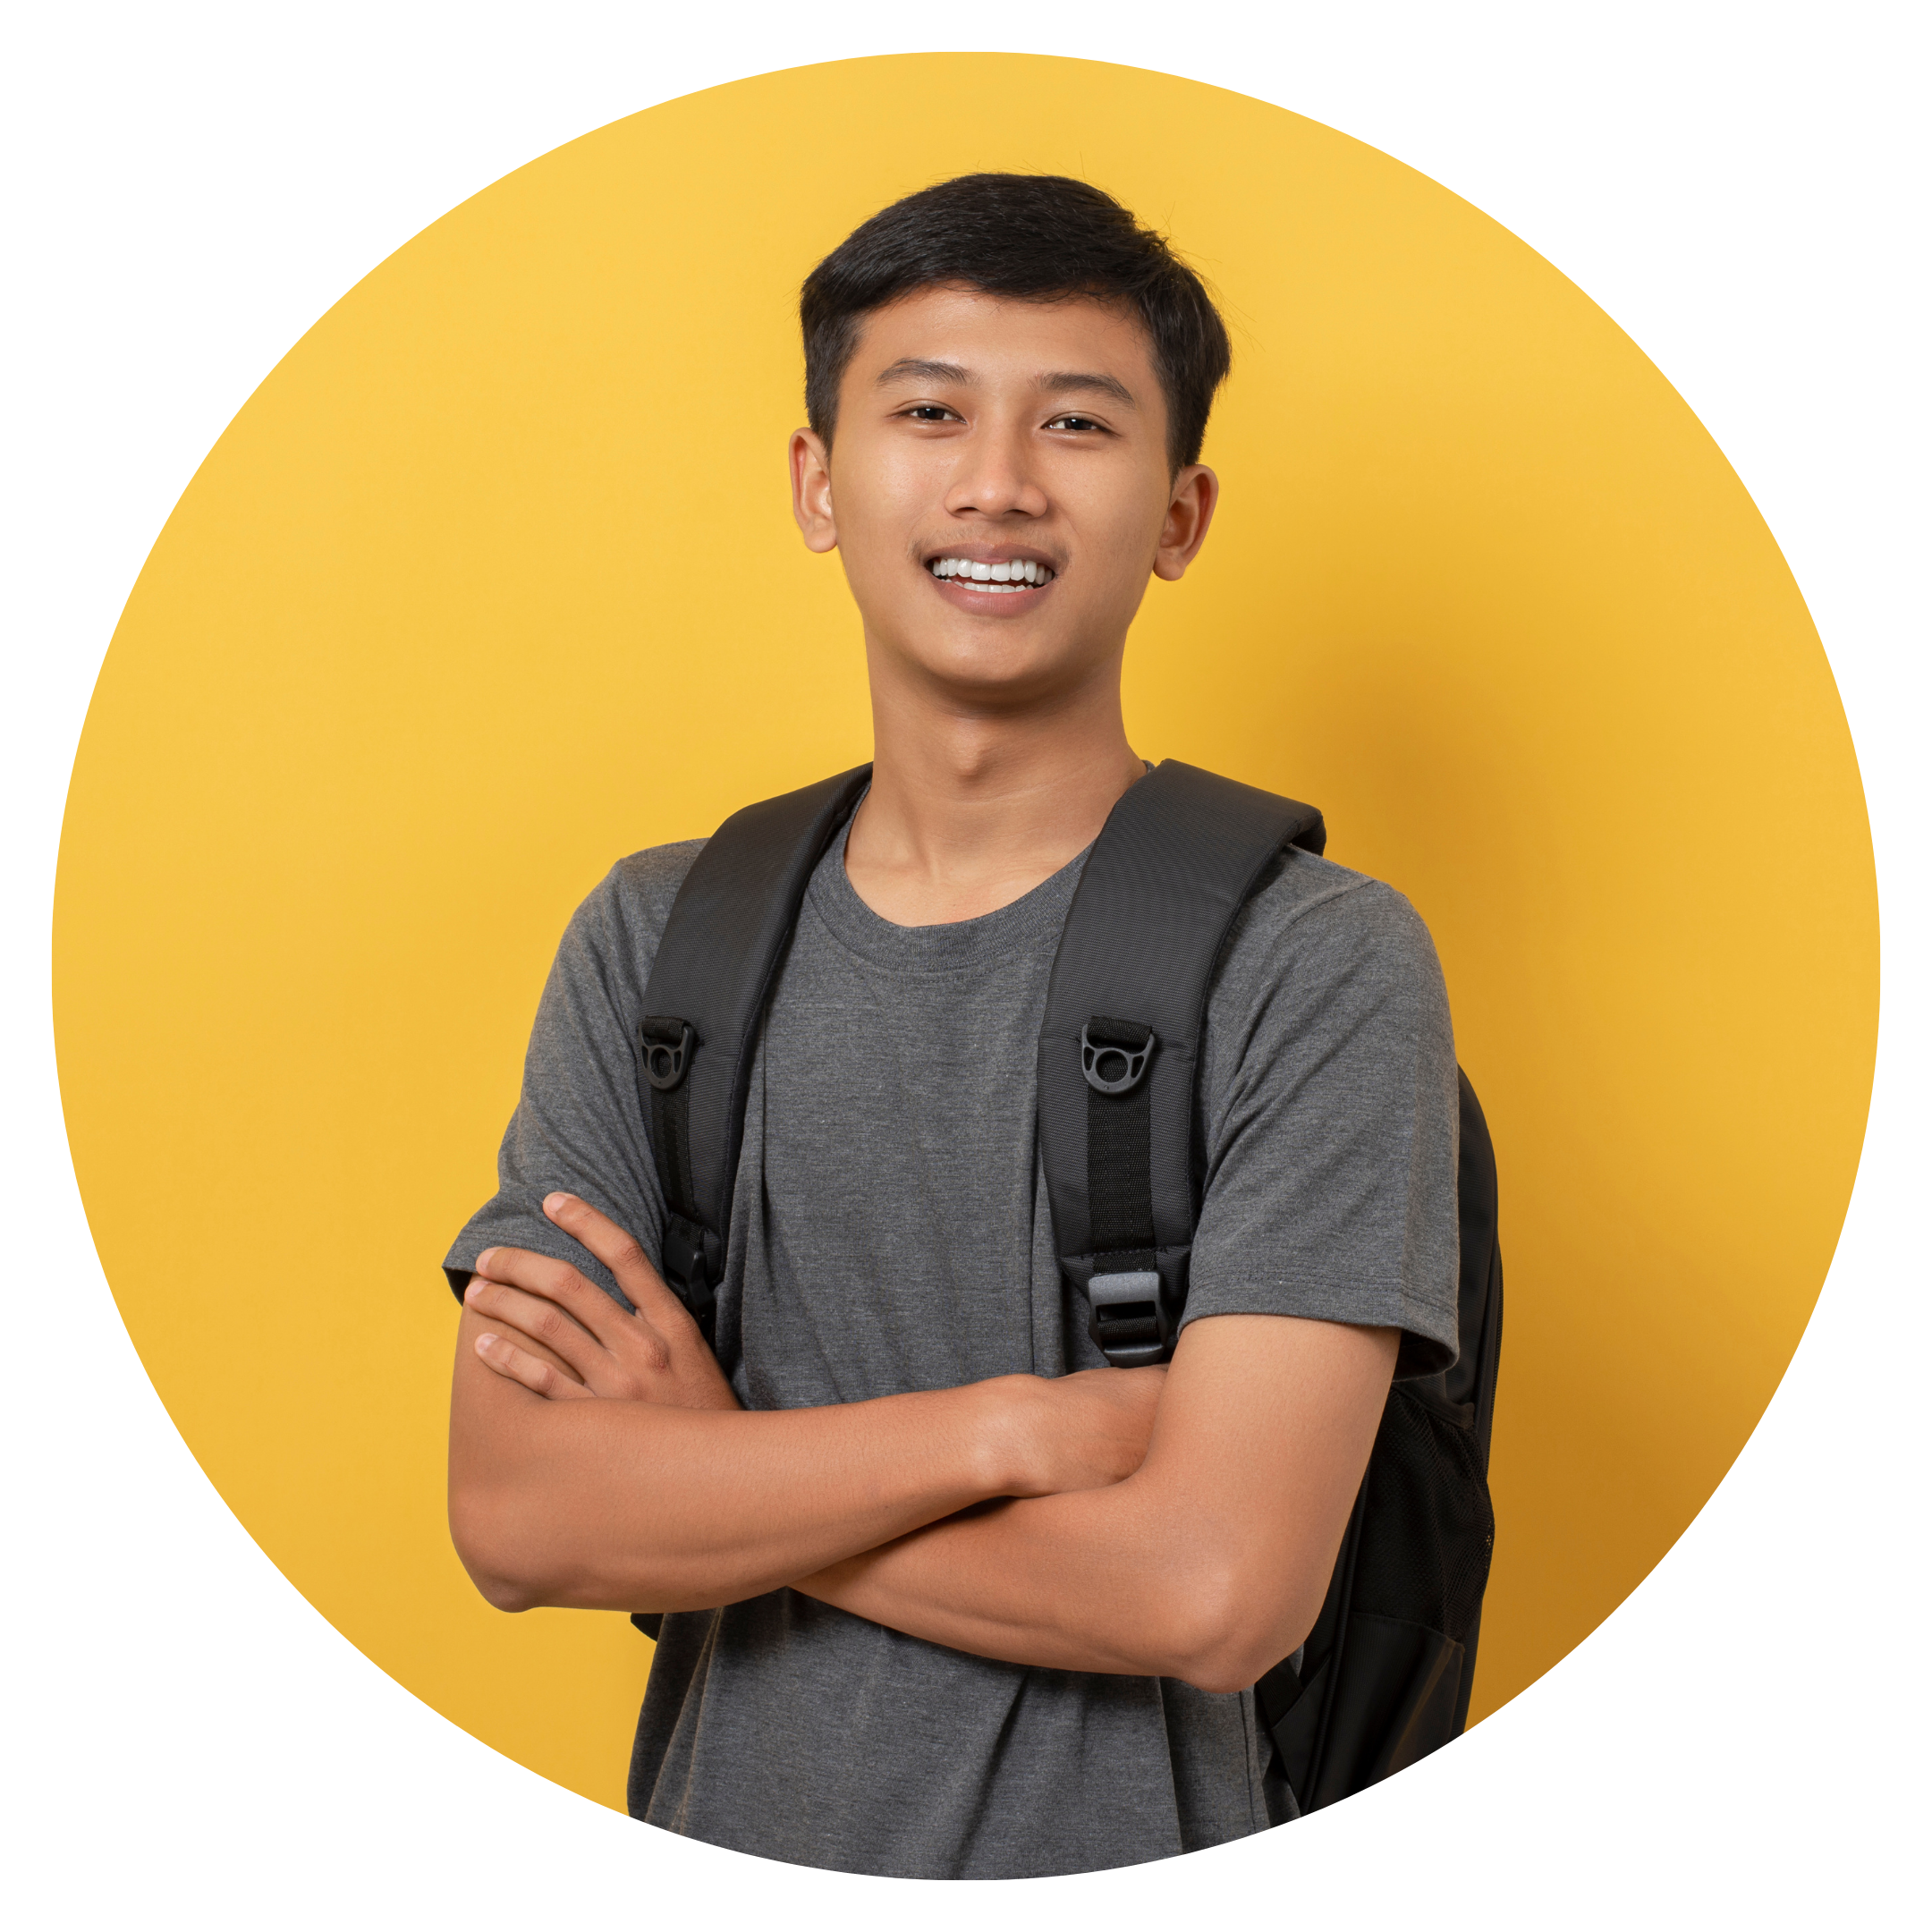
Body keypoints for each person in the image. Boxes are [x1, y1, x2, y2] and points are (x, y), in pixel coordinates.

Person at [444, 173, 1460, 1878]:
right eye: (928, 411)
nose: (998, 481)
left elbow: (1214, 1593)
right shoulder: (659, 942)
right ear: (818, 482)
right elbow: (517, 1517)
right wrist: (1014, 1432)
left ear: (1180, 513)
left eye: (1078, 422)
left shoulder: (1315, 961)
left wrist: (710, 1474)